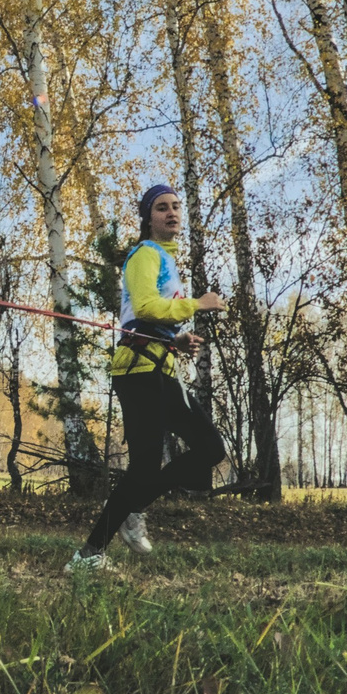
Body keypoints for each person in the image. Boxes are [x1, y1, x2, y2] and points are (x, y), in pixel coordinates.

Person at [71, 184, 227, 572]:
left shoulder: (167, 261)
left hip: (160, 367)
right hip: (137, 370)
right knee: (145, 465)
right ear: (148, 217)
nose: (172, 213)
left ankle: (132, 507)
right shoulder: (145, 254)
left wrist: (177, 340)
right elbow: (143, 306)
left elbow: (144, 319)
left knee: (209, 449)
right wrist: (196, 305)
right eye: (162, 208)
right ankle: (89, 556)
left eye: (176, 206)